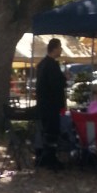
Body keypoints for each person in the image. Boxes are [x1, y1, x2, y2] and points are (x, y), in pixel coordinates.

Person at [35, 37, 66, 169]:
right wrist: (64, 79)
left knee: (45, 131)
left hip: (43, 104)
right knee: (52, 131)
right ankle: (50, 158)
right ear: (55, 48)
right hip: (51, 105)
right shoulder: (52, 65)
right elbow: (55, 85)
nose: (61, 50)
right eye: (60, 47)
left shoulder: (41, 64)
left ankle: (43, 155)